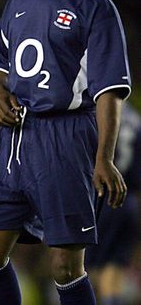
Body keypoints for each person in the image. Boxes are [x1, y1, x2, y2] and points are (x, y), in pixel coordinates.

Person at [0, 0, 132, 305]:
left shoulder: (96, 7)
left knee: (65, 266)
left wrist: (103, 158)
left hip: (67, 139)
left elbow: (108, 91)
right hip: (16, 140)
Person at [85, 103, 141, 305]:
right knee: (113, 271)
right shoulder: (136, 120)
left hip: (100, 198)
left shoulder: (97, 113)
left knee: (84, 269)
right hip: (128, 201)